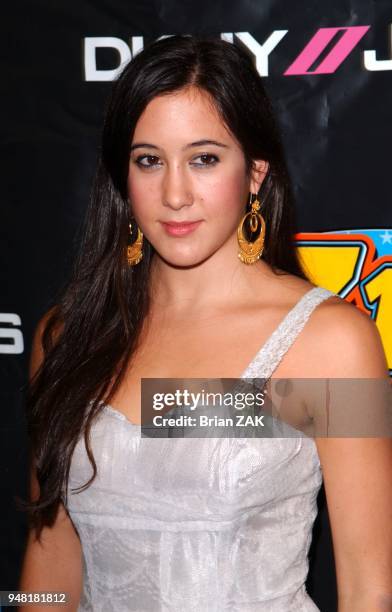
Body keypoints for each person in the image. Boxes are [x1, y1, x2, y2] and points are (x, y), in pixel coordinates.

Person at [18, 35, 391, 611]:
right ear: (123, 176)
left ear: (255, 173)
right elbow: (48, 555)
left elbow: (370, 588)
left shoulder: (331, 343)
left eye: (204, 158)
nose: (174, 193)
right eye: (148, 160)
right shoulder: (65, 337)